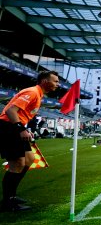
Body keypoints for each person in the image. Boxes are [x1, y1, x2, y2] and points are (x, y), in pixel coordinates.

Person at [0, 71, 60, 212]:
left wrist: (25, 129)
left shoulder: (38, 95)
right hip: (8, 127)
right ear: (45, 81)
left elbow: (21, 114)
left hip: (17, 127)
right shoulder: (32, 92)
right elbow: (10, 111)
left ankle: (12, 196)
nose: (58, 84)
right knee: (18, 163)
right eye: (55, 81)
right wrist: (20, 128)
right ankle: (8, 201)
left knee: (29, 159)